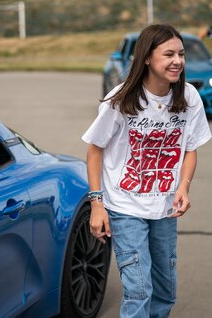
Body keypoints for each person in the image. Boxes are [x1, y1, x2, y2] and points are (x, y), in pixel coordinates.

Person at [81, 24, 211, 318]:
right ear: (147, 58)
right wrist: (97, 205)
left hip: (164, 208)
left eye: (180, 53)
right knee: (139, 289)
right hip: (125, 208)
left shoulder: (188, 97)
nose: (177, 60)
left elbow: (190, 148)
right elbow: (94, 149)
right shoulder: (122, 98)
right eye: (168, 54)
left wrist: (183, 187)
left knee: (165, 290)